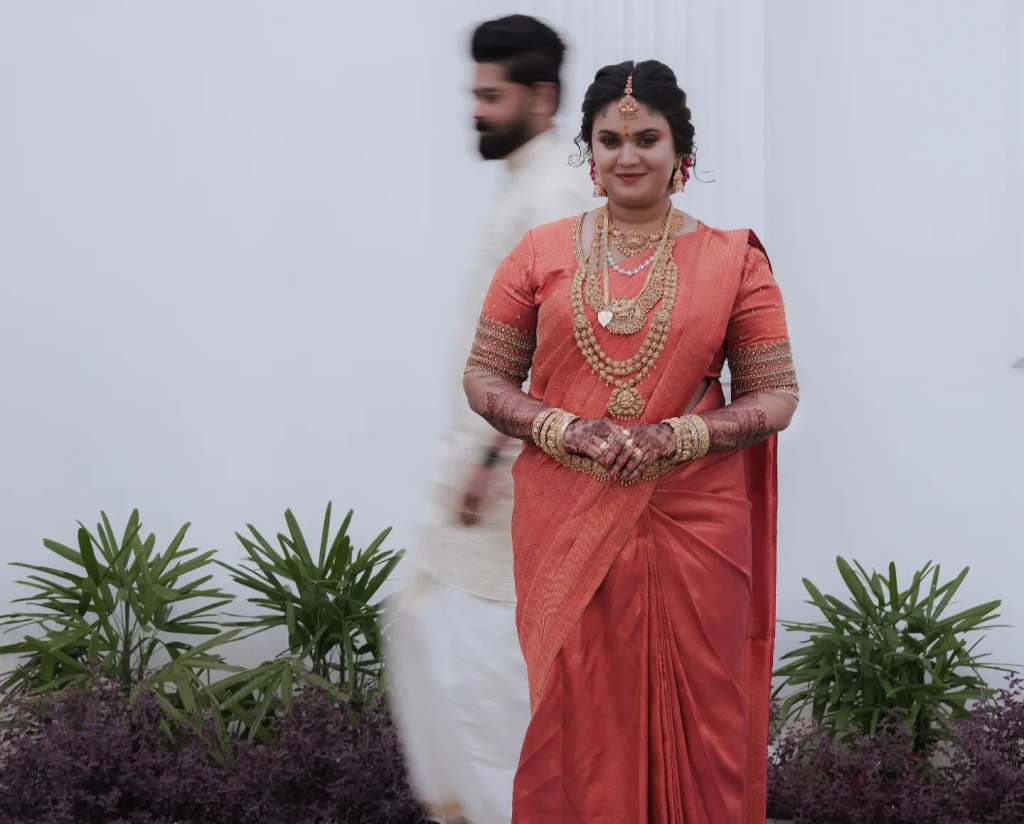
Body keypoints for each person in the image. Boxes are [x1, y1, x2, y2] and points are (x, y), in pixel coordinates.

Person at [463, 59, 800, 824]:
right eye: (609, 139)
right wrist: (561, 425)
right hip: (567, 506)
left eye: (646, 137)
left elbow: (775, 394)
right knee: (578, 706)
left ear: (684, 153)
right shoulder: (538, 253)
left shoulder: (733, 260)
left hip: (696, 519)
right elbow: (484, 378)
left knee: (703, 709)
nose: (628, 154)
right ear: (588, 153)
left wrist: (675, 435)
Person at [384, 15, 592, 824]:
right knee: (428, 645)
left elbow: (561, 342)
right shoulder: (528, 186)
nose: (475, 109)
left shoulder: (555, 194)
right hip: (477, 499)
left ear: (542, 98)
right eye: (473, 93)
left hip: (506, 500)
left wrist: (491, 459)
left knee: (485, 694)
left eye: (490, 95)